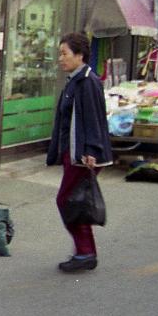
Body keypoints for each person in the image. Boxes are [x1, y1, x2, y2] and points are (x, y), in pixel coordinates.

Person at [47, 32, 114, 273]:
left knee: (67, 200)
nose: (60, 58)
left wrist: (91, 151)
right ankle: (85, 251)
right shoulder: (74, 80)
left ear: (80, 55)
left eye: (64, 53)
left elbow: (94, 119)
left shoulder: (88, 81)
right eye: (60, 53)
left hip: (83, 155)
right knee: (76, 201)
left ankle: (85, 251)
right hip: (73, 152)